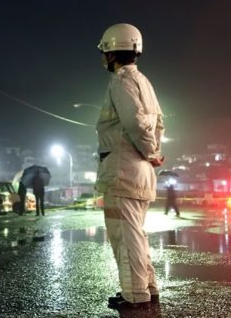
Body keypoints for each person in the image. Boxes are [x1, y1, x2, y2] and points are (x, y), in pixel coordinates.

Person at [94, 23, 164, 312]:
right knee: (135, 232)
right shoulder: (144, 81)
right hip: (140, 171)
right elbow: (158, 123)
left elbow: (134, 122)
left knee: (125, 233)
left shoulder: (121, 82)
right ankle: (147, 286)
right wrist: (155, 152)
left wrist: (151, 151)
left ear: (111, 53)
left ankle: (135, 294)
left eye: (103, 52)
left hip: (123, 169)